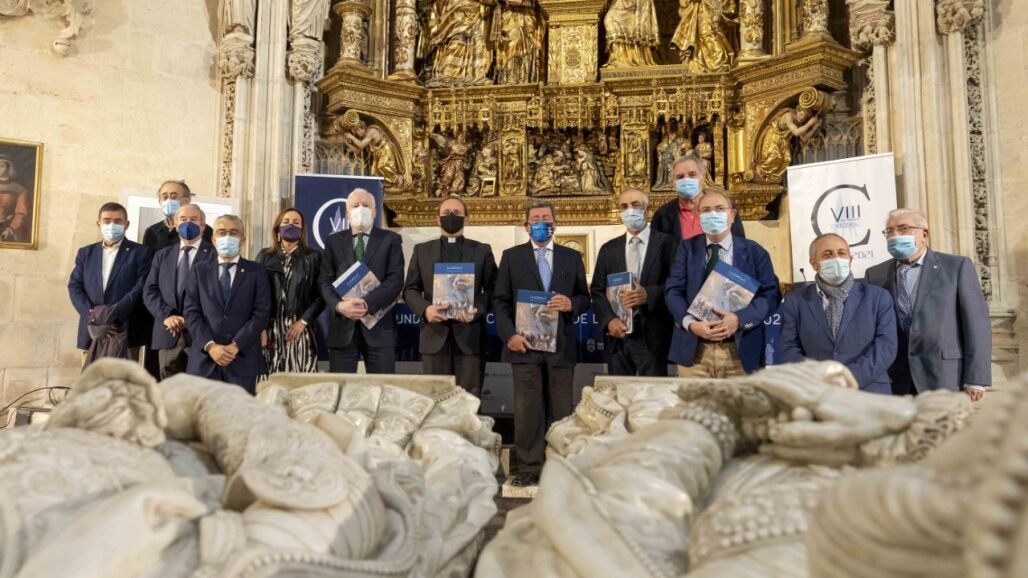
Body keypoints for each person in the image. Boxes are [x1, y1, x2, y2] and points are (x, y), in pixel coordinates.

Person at [492, 200, 590, 486]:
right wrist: (509, 335)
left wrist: (572, 303)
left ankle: (560, 464)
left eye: (546, 218)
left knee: (561, 410)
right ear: (526, 226)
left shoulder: (572, 257)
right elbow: (499, 301)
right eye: (534, 219)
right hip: (524, 346)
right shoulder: (511, 257)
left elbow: (584, 298)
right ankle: (529, 467)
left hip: (560, 346)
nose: (540, 223)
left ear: (555, 224)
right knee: (527, 410)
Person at [864, 208, 992, 400]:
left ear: (924, 234)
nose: (895, 235)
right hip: (895, 380)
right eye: (889, 231)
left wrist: (976, 378)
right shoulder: (875, 274)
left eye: (903, 228)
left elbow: (976, 324)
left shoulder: (956, 267)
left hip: (944, 376)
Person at [665, 190, 780, 378]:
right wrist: (690, 324)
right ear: (698, 216)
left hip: (739, 353)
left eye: (719, 209)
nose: (713, 214)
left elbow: (771, 295)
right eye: (706, 210)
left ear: (732, 215)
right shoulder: (686, 249)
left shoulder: (755, 252)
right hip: (694, 352)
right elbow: (673, 291)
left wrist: (739, 319)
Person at [777, 233, 897, 393]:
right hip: (817, 392)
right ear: (813, 263)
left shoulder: (878, 297)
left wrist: (849, 378)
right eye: (827, 254)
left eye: (841, 253)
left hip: (870, 391)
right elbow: (788, 347)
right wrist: (817, 378)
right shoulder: (795, 301)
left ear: (850, 259)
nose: (836, 258)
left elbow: (886, 347)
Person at [403, 196, 498, 396]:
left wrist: (477, 309)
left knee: (469, 399)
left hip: (470, 337)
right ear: (437, 219)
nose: (451, 216)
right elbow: (410, 289)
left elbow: (494, 289)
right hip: (434, 336)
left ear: (466, 219)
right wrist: (425, 309)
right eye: (446, 213)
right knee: (436, 398)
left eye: (456, 213)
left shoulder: (482, 250)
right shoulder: (422, 251)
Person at [590, 188, 677, 376]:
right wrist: (609, 320)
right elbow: (597, 290)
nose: (629, 210)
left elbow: (676, 285)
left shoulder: (668, 243)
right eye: (624, 206)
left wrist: (649, 294)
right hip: (618, 336)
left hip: (654, 336)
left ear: (647, 208)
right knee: (619, 392)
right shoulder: (608, 249)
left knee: (653, 392)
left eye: (635, 204)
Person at [318, 188, 405, 374]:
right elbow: (324, 281)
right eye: (355, 206)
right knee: (341, 387)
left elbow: (395, 280)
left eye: (366, 205)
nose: (361, 209)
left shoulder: (391, 239)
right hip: (343, 329)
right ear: (347, 213)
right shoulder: (333, 241)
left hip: (379, 329)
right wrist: (340, 306)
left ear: (374, 212)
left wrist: (367, 304)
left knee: (382, 387)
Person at [183, 214, 271, 393]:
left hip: (242, 361)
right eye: (222, 232)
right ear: (214, 239)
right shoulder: (199, 270)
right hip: (204, 361)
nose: (227, 237)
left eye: (234, 233)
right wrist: (211, 346)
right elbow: (191, 312)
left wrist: (236, 346)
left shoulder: (257, 271)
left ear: (242, 240)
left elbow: (261, 313)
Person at [68, 202, 153, 363]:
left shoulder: (141, 252)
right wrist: (93, 315)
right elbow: (75, 286)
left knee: (125, 377)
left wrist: (114, 315)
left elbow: (141, 286)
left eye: (117, 221)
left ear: (126, 224)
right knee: (91, 376)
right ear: (98, 223)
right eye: (107, 221)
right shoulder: (86, 253)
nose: (112, 225)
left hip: (126, 328)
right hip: (92, 329)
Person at [142, 204, 216, 379]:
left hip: (201, 335)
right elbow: (150, 291)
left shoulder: (214, 255)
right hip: (168, 333)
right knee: (169, 389)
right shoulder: (162, 255)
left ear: (202, 226)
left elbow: (216, 296)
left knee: (199, 388)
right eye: (183, 219)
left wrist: (190, 319)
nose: (187, 223)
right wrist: (167, 316)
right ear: (175, 225)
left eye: (193, 219)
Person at [255, 208, 324, 374]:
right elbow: (256, 293)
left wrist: (303, 321)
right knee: (270, 380)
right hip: (270, 330)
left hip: (299, 328)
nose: (290, 225)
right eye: (286, 222)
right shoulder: (265, 255)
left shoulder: (313, 257)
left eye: (296, 222)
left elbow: (321, 296)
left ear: (302, 230)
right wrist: (260, 327)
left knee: (300, 380)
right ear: (278, 228)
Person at [651, 154, 745, 241]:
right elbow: (655, 250)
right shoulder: (662, 215)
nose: (686, 179)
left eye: (692, 175)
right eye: (680, 177)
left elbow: (740, 245)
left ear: (703, 178)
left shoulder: (725, 207)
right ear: (673, 182)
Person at [141, 180, 214, 253]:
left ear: (186, 201)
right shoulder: (152, 232)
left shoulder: (203, 230)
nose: (169, 200)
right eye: (165, 197)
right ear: (159, 201)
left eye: (174, 197)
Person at [0, 154, 30, 243]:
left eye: (1, 166)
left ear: (9, 168)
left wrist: (10, 229)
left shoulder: (20, 189)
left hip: (7, 228)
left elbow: (21, 213)